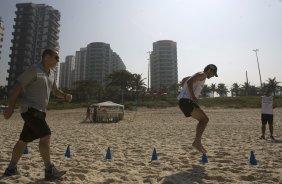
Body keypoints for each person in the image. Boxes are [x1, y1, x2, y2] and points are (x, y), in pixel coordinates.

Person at [3, 49, 72, 180]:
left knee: (23, 141)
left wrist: (65, 95)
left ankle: (11, 169)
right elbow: (18, 86)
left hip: (41, 111)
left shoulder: (52, 73)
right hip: (30, 109)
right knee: (46, 135)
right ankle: (49, 169)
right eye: (56, 57)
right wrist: (11, 106)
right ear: (46, 57)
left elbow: (55, 91)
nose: (58, 60)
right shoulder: (34, 69)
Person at [178, 64, 218, 154]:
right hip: (187, 101)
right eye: (213, 74)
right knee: (204, 120)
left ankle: (197, 142)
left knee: (203, 120)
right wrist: (192, 96)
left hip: (185, 101)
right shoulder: (202, 75)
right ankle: (197, 142)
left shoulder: (199, 75)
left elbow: (184, 80)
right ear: (209, 70)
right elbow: (188, 82)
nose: (212, 76)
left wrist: (186, 91)